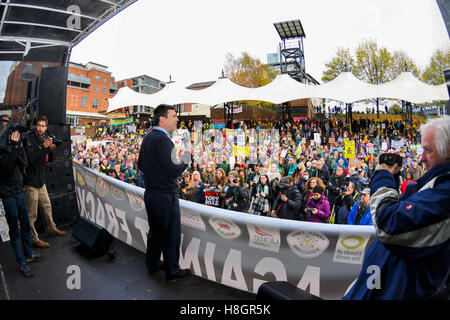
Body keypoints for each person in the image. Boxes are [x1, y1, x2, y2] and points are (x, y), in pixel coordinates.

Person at [344, 116, 450, 300]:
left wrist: (383, 175)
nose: (421, 157)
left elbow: (389, 224)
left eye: (427, 150)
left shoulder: (444, 193)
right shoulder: (432, 184)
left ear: (447, 151)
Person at [138, 104, 191, 281]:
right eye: (174, 116)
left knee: (156, 232)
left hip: (152, 193)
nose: (177, 119)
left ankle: (152, 263)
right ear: (162, 118)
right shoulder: (162, 139)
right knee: (171, 234)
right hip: (165, 195)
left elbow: (140, 165)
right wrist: (186, 159)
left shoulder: (148, 137)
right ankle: (172, 270)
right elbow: (174, 169)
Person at [0, 114, 43, 277]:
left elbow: (23, 163)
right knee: (15, 231)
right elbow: (8, 166)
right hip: (8, 194)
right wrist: (14, 146)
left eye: (8, 123)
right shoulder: (2, 148)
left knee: (25, 225)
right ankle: (21, 262)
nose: (8, 127)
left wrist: (19, 146)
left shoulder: (13, 145)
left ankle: (29, 253)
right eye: (4, 123)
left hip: (19, 191)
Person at [23, 115, 66, 249]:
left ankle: (51, 228)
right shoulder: (29, 138)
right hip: (30, 182)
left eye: (43, 126)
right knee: (32, 214)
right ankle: (33, 239)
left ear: (46, 127)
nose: (41, 128)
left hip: (41, 181)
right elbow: (29, 158)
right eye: (39, 125)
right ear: (35, 125)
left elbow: (49, 159)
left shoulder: (44, 138)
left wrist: (51, 150)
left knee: (47, 206)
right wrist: (42, 146)